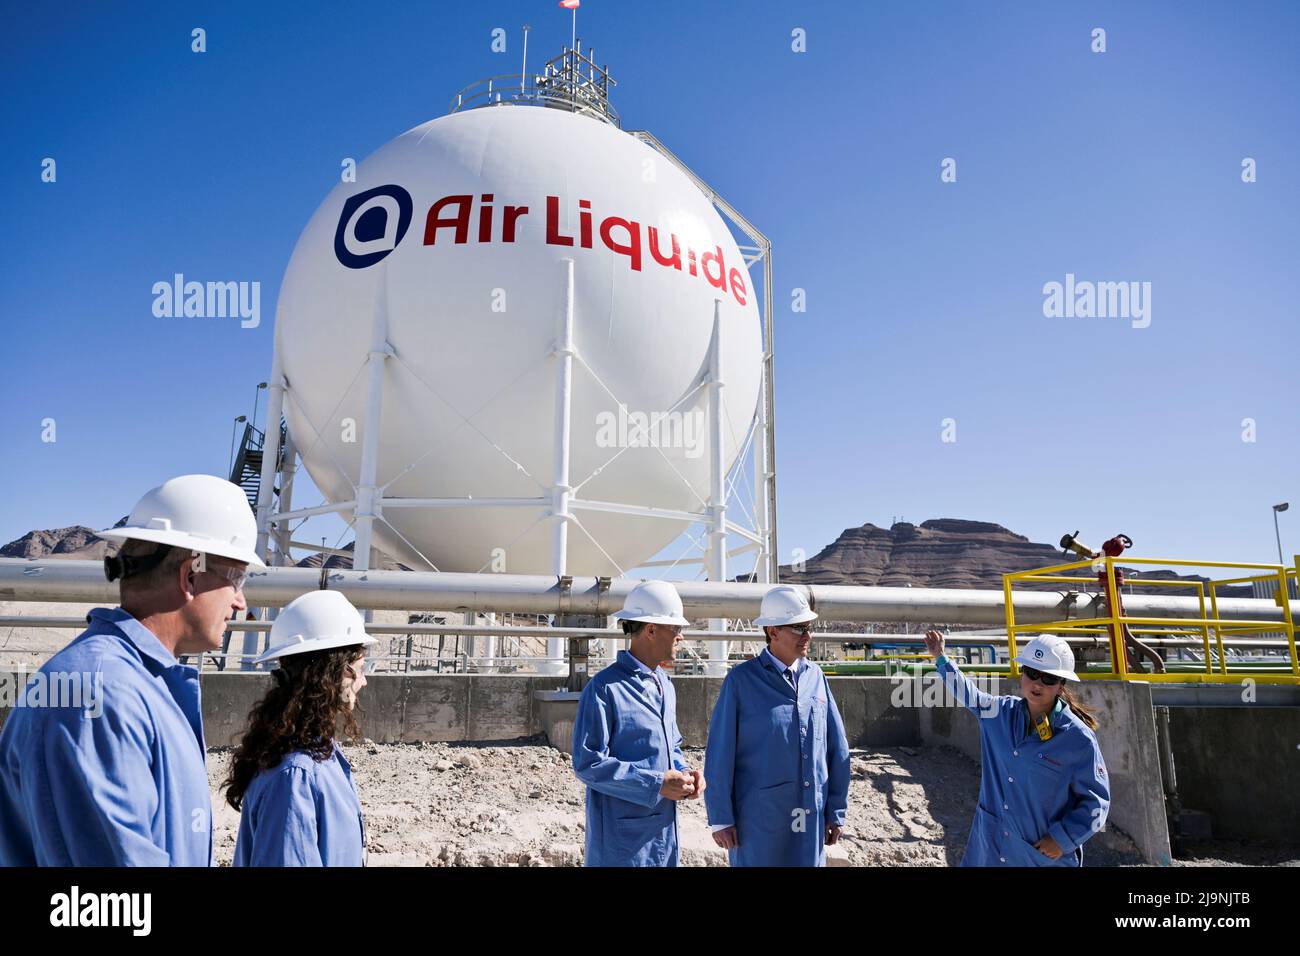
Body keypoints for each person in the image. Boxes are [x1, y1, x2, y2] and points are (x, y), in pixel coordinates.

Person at [0, 474, 263, 865]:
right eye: (236, 578)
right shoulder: (99, 696)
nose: (241, 602)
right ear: (190, 574)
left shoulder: (141, 683)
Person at [924, 629, 1110, 866]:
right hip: (990, 850)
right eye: (1032, 673)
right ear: (1022, 673)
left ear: (1061, 683)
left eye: (1048, 678)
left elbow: (1098, 805)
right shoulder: (999, 714)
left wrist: (1063, 839)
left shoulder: (1077, 739)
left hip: (1039, 858)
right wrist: (940, 658)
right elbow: (968, 694)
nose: (1038, 683)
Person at [226, 590, 376, 867]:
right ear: (334, 672)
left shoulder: (318, 753)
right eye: (361, 668)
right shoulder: (295, 776)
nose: (364, 682)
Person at [704, 585, 850, 866]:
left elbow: (837, 749)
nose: (807, 636)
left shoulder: (816, 677)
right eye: (799, 628)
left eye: (809, 627)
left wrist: (835, 810)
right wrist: (720, 818)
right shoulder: (741, 682)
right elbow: (720, 754)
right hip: (759, 821)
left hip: (810, 814)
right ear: (773, 632)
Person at [571, 580, 702, 866]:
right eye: (676, 628)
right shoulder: (605, 688)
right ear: (651, 630)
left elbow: (672, 746)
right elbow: (587, 763)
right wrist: (655, 784)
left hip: (663, 836)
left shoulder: (665, 685)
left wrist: (684, 775)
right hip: (622, 844)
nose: (681, 637)